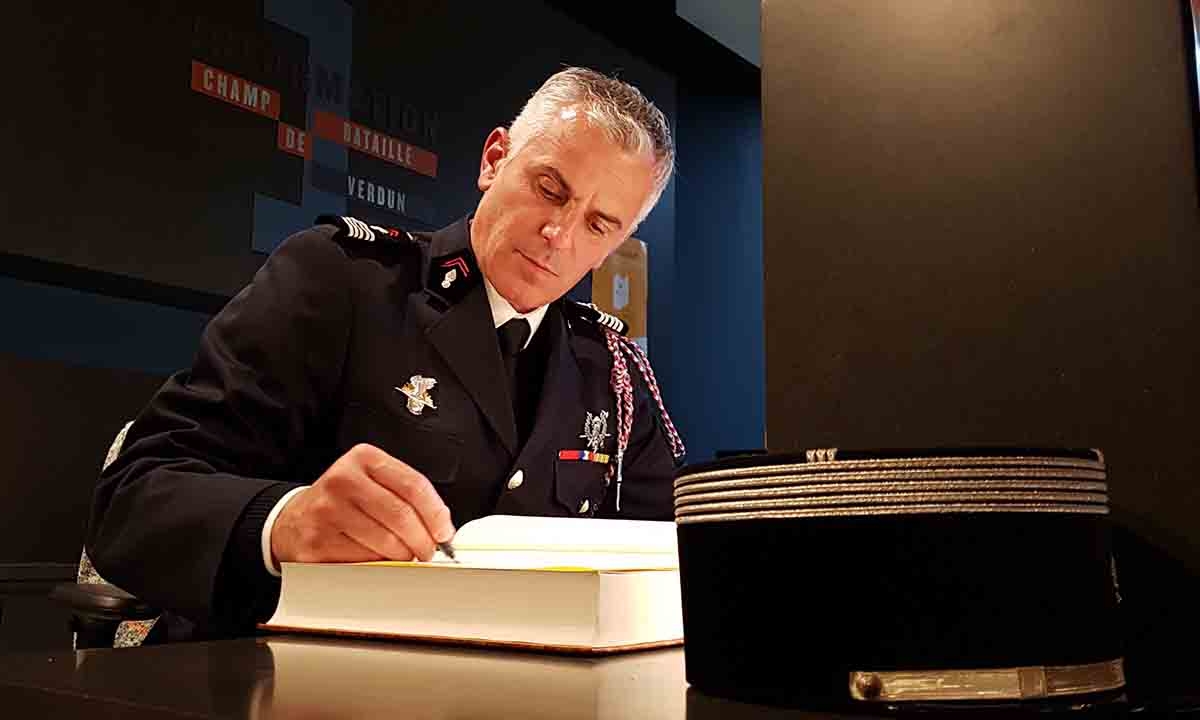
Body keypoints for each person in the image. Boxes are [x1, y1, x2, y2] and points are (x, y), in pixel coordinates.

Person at [85, 66, 686, 642]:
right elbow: (134, 500)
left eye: (599, 224)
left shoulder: (611, 368)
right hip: (293, 675)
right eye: (550, 189)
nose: (560, 234)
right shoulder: (343, 284)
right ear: (495, 159)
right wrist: (284, 521)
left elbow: (671, 549)